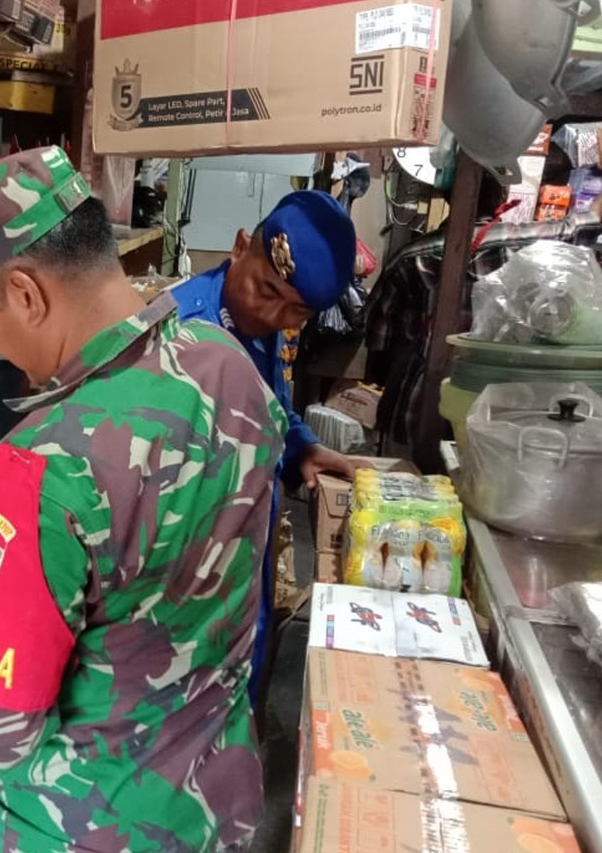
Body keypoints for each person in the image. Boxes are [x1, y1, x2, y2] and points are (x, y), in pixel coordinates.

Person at [0, 146, 287, 853]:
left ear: (25, 293)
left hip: (82, 830)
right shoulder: (226, 365)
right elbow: (159, 537)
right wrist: (15, 535)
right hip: (212, 809)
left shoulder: (37, 470)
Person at [169, 190, 359, 703]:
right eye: (266, 291)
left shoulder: (264, 323)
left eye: (296, 310)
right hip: (192, 579)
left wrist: (301, 448)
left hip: (247, 554)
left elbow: (270, 406)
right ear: (238, 248)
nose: (272, 315)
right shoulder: (182, 335)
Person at [368, 125, 602, 445]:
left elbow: (379, 347)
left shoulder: (408, 259)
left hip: (418, 411)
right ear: (501, 195)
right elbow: (596, 218)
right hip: (501, 415)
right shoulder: (527, 242)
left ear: (444, 195)